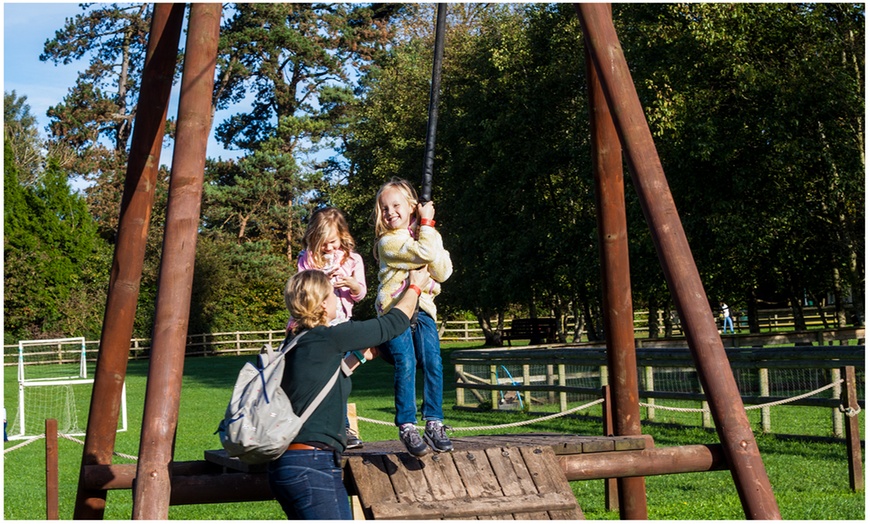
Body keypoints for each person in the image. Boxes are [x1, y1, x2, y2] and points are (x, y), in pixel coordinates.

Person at [270, 268, 428, 520]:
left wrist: (357, 358)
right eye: (332, 294)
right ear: (322, 304)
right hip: (313, 463)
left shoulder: (294, 342)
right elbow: (394, 323)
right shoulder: (330, 337)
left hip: (286, 465)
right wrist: (415, 287)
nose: (336, 299)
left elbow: (319, 385)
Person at [372, 178, 454, 457]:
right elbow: (424, 253)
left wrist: (429, 230)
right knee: (405, 361)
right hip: (395, 311)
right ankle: (407, 424)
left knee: (433, 360)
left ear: (411, 207)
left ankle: (434, 420)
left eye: (396, 205)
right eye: (384, 208)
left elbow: (442, 272)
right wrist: (427, 228)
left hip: (425, 308)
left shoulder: (425, 233)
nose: (389, 212)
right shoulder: (388, 242)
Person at [295, 207, 367, 448]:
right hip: (316, 325)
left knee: (338, 375)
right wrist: (322, 279)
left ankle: (342, 428)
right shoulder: (306, 259)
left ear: (342, 235)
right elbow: (302, 292)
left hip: (341, 325)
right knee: (328, 376)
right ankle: (332, 428)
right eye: (322, 243)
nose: (327, 248)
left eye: (332, 242)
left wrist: (351, 284)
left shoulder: (353, 260)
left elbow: (361, 295)